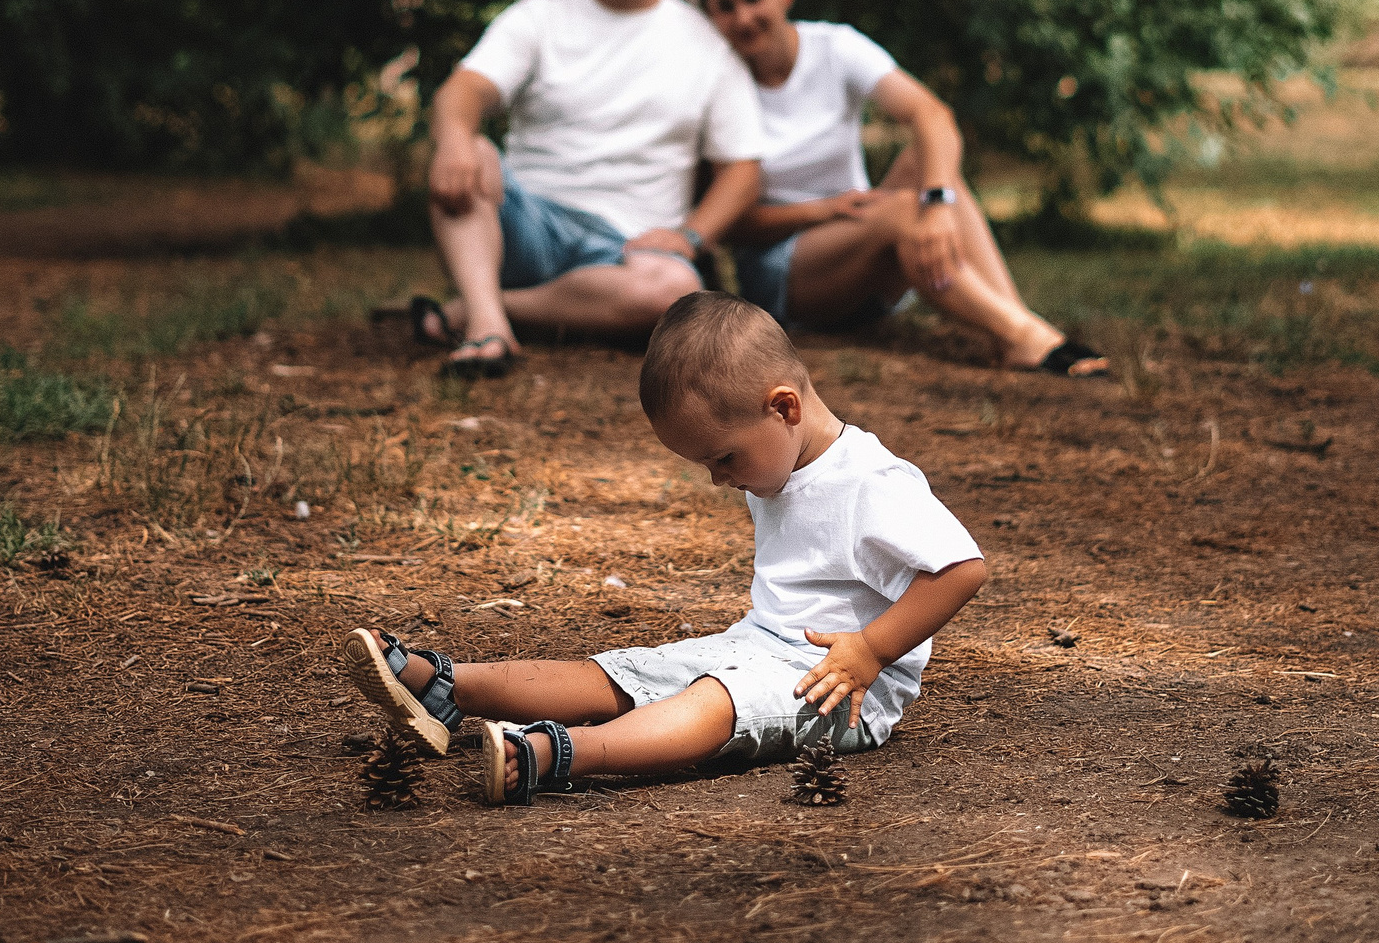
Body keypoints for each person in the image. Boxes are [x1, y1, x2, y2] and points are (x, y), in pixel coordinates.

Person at [339, 291, 989, 802]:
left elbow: (962, 569)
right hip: (758, 642)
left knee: (712, 705)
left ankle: (556, 754)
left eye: (724, 456)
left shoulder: (872, 482)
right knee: (621, 672)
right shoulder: (780, 454)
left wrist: (872, 648)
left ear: (784, 407)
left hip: (841, 690)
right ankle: (447, 686)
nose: (718, 477)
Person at [701, 0, 1109, 376]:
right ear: (711, 16)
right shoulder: (716, 83)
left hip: (861, 241)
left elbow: (930, 113)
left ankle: (1016, 325)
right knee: (897, 210)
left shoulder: (833, 48)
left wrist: (937, 204)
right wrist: (822, 210)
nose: (743, 17)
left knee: (926, 163)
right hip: (783, 276)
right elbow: (733, 226)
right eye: (726, 7)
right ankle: (1022, 335)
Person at [411, 0, 765, 374]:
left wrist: (690, 236)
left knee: (674, 290)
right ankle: (490, 332)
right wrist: (452, 141)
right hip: (525, 225)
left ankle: (483, 307)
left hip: (625, 251)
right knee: (474, 150)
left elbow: (742, 170)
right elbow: (463, 91)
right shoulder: (540, 17)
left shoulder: (707, 43)